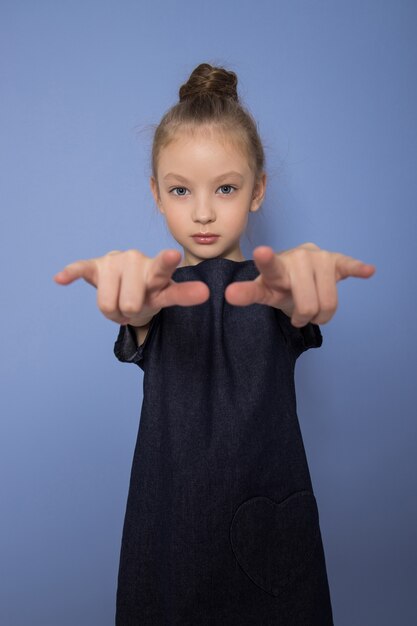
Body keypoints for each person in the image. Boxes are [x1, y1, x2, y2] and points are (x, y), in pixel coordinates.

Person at [54, 62, 376, 625]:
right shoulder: (156, 291)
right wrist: (136, 307)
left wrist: (299, 282)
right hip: (170, 541)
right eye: (181, 190)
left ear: (259, 190)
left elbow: (295, 303)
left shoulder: (271, 288)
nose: (202, 211)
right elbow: (141, 315)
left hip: (271, 539)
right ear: (156, 194)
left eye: (226, 188)